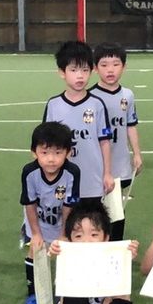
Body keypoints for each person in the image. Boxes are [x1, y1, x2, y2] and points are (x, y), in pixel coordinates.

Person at [20, 121, 81, 304]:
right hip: (38, 222)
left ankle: (68, 296)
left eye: (57, 152)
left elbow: (69, 206)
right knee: (35, 252)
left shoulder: (72, 173)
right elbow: (29, 203)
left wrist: (64, 234)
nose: (51, 159)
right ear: (34, 153)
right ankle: (34, 297)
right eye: (44, 152)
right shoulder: (29, 172)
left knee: (67, 254)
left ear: (68, 153)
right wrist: (36, 234)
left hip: (63, 222)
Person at [43, 40, 113, 206]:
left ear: (92, 71)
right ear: (62, 72)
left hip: (93, 181)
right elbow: (45, 144)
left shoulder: (97, 104)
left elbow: (104, 142)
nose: (80, 76)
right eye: (73, 70)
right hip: (62, 181)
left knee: (93, 220)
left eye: (85, 70)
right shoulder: (53, 105)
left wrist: (107, 173)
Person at [90, 42, 142, 239]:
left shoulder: (127, 95)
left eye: (115, 64)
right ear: (95, 68)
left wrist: (136, 153)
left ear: (124, 67)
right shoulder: (91, 97)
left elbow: (130, 125)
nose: (110, 70)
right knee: (95, 212)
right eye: (104, 65)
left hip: (120, 163)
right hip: (97, 166)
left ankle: (116, 247)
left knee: (117, 213)